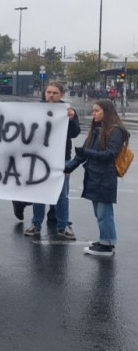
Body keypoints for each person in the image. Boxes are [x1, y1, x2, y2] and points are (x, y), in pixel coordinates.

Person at [65, 99, 128, 256]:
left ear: (106, 112)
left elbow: (110, 154)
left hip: (105, 177)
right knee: (99, 212)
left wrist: (85, 153)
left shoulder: (116, 130)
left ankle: (107, 244)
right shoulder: (98, 129)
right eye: (93, 110)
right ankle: (105, 239)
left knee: (104, 212)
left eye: (96, 111)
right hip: (94, 175)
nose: (93, 113)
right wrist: (68, 167)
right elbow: (84, 152)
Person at [23, 83, 80, 239]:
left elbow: (75, 133)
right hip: (40, 158)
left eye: (55, 92)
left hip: (61, 158)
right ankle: (36, 224)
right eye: (48, 92)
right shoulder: (36, 109)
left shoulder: (67, 110)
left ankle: (63, 226)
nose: (51, 95)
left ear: (61, 95)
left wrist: (72, 119)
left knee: (62, 194)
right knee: (39, 193)